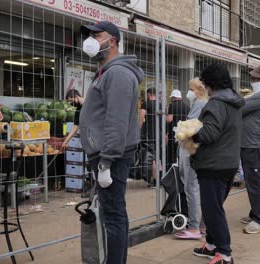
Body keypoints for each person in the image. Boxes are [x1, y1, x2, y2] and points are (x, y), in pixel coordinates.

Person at [78, 21, 144, 264]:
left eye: (97, 35)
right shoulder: (108, 72)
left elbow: (116, 121)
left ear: (113, 41)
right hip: (108, 153)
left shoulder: (117, 73)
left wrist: (105, 162)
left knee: (113, 215)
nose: (91, 40)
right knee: (113, 212)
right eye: (90, 35)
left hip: (111, 156)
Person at [191, 63, 244, 264]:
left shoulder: (215, 103)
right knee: (214, 207)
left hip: (213, 164)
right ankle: (212, 245)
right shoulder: (233, 102)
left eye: (204, 83)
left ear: (211, 83)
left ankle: (224, 253)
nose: (204, 87)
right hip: (229, 162)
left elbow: (209, 133)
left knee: (213, 210)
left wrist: (190, 133)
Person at [238, 66, 260, 234]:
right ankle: (255, 214)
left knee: (255, 183)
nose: (252, 82)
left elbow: (239, 108)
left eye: (254, 79)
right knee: (252, 182)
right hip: (251, 144)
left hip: (254, 146)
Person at [175, 78, 207, 240]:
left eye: (191, 88)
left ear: (199, 90)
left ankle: (194, 226)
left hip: (190, 149)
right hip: (196, 150)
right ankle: (202, 225)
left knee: (191, 187)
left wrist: (178, 132)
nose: (188, 92)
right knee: (198, 187)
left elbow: (189, 129)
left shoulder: (200, 104)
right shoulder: (202, 103)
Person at [140, 88, 160, 186]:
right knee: (158, 158)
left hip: (149, 134)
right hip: (159, 134)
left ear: (150, 94)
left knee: (151, 158)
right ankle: (159, 180)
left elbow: (141, 116)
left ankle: (153, 181)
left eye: (147, 95)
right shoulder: (161, 104)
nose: (147, 97)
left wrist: (139, 129)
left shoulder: (146, 104)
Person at [166, 89, 189, 169]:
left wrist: (165, 115)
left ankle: (171, 170)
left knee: (172, 153)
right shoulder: (187, 106)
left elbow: (169, 119)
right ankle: (180, 169)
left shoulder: (172, 105)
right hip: (183, 133)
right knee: (181, 153)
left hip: (173, 133)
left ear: (173, 97)